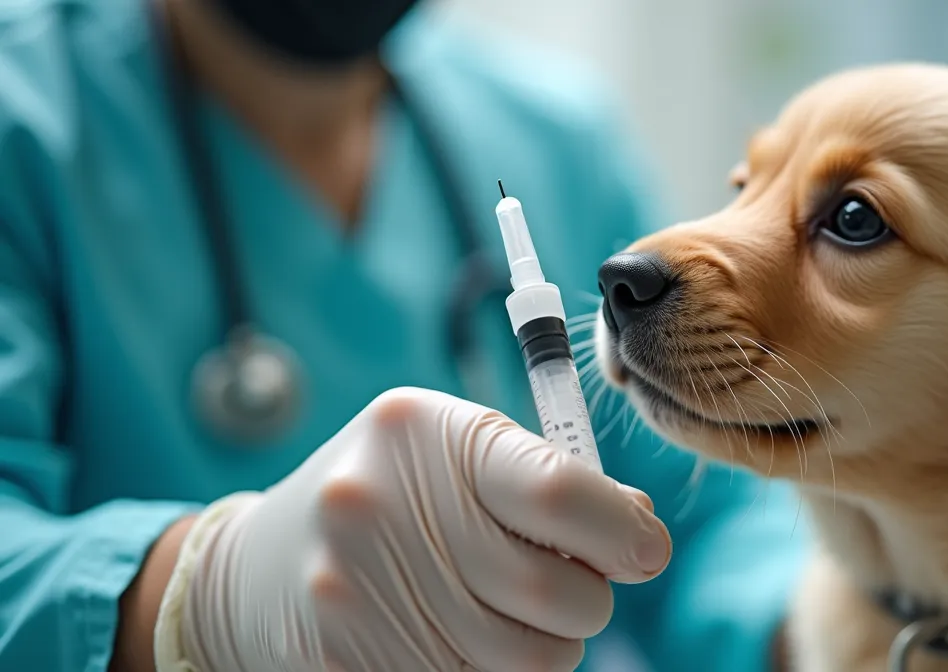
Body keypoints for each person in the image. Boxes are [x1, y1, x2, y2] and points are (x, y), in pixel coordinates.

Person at [0, 0, 808, 670]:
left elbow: (709, 515)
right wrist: (202, 599)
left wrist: (831, 633)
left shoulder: (555, 136)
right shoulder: (26, 117)